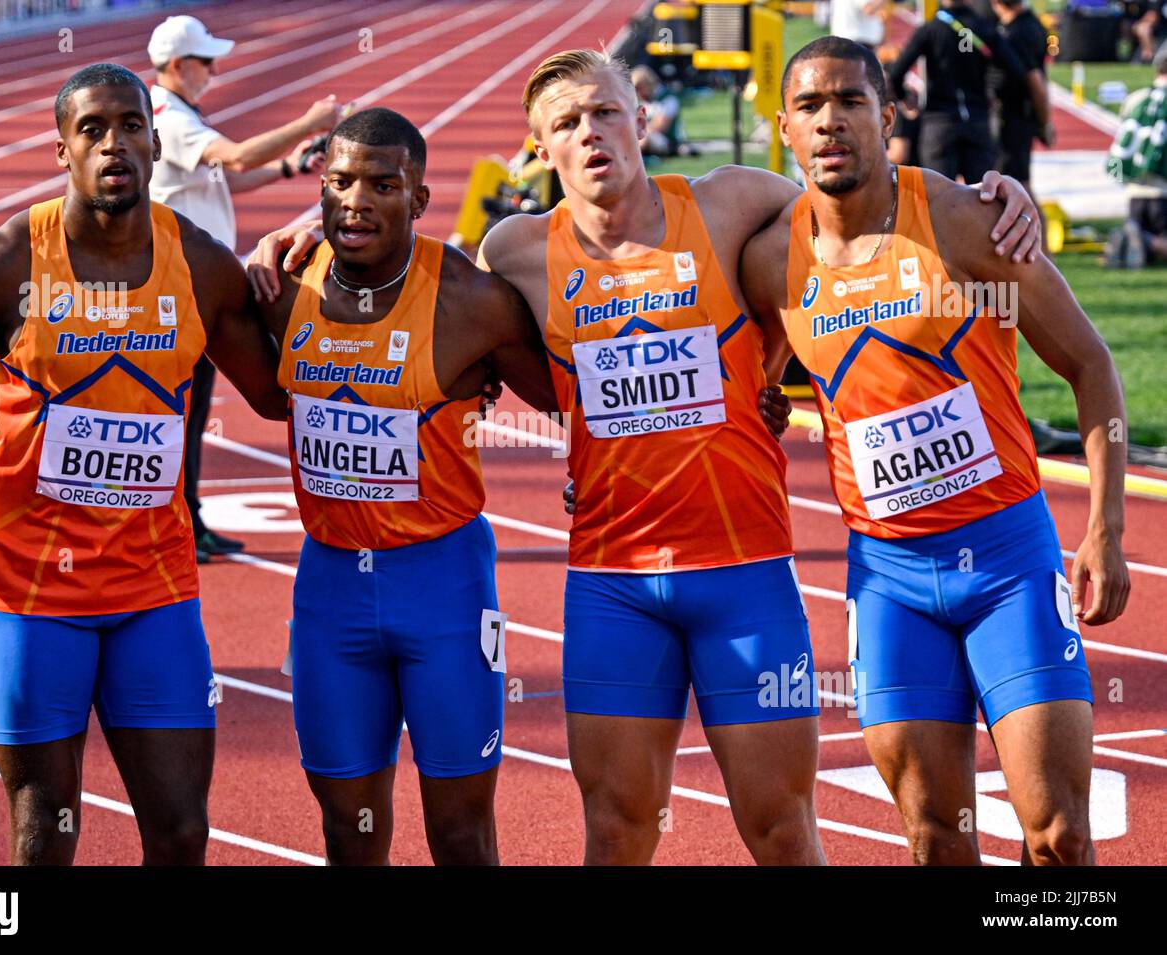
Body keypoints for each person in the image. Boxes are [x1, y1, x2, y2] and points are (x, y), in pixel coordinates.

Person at [249, 50, 1039, 867]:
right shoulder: (516, 251)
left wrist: (984, 194)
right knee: (618, 834)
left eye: (605, 112)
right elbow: (413, 278)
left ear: (639, 119)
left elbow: (856, 204)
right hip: (613, 586)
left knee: (780, 830)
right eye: (566, 124)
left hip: (745, 573)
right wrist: (325, 230)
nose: (590, 134)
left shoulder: (729, 202)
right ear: (539, 147)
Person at [0, 63, 287, 865]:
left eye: (130, 126)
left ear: (154, 138)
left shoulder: (201, 266)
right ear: (61, 149)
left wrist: (300, 276)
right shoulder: (2, 264)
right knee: (45, 832)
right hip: (33, 594)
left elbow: (277, 399)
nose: (114, 144)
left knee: (181, 832)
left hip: (156, 589)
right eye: (92, 129)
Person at [741, 36, 1130, 864]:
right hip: (887, 581)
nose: (831, 121)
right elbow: (757, 374)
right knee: (933, 837)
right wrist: (773, 395)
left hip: (1006, 561)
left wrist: (1106, 529)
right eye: (810, 106)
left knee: (1057, 834)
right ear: (784, 129)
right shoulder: (772, 258)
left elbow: (1089, 363)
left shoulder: (962, 219)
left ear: (888, 116)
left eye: (850, 101)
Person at [252, 107, 560, 865]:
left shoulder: (469, 301)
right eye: (341, 182)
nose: (357, 201)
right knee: (347, 832)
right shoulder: (282, 285)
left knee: (459, 831)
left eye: (383, 185)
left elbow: (567, 398)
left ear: (419, 201)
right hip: (330, 588)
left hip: (444, 585)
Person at [146, 14, 341, 562]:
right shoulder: (171, 116)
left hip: (194, 285)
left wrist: (290, 167)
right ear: (179, 66)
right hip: (181, 288)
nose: (213, 70)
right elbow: (232, 157)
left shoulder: (180, 114)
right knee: (182, 409)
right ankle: (179, 522)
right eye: (206, 61)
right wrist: (310, 121)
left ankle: (190, 517)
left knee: (191, 408)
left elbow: (225, 177)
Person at [889, 0, 1046, 183]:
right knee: (981, 197)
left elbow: (896, 73)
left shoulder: (930, 29)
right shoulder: (985, 29)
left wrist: (905, 98)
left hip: (940, 120)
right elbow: (1016, 71)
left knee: (938, 198)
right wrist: (994, 92)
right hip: (977, 119)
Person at [1105, 42, 1167, 268]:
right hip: (1163, 194)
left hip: (1133, 194)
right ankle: (1146, 241)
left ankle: (1133, 236)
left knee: (1145, 255)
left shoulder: (1135, 99)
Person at [988, 0, 1055, 197]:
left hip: (1015, 117)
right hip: (1015, 115)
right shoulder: (1026, 24)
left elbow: (1034, 79)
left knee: (1016, 187)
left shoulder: (1019, 31)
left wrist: (1045, 122)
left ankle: (1037, 227)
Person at [630, 65, 682, 157]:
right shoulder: (640, 101)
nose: (637, 92)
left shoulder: (668, 99)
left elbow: (659, 127)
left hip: (667, 141)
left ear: (648, 84)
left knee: (645, 138)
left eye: (639, 88)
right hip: (643, 134)